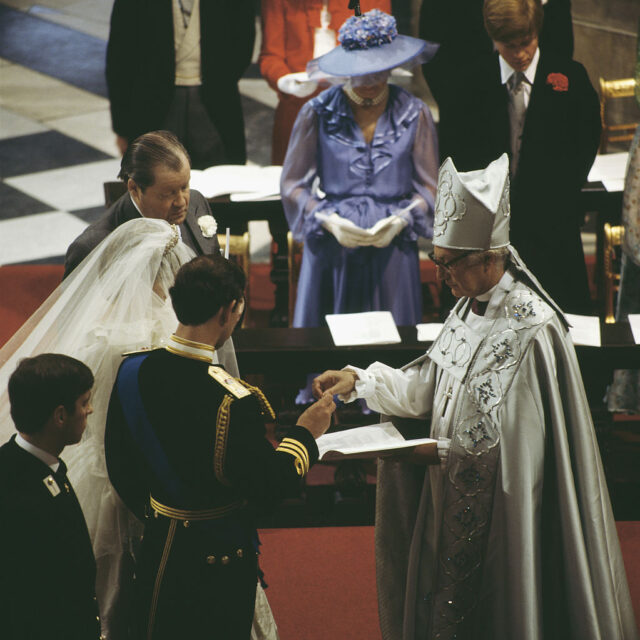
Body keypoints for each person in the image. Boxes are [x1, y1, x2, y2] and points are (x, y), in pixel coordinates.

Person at [313, 154, 638, 640]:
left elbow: (522, 456)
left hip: (508, 518)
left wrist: (439, 452)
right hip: (451, 494)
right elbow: (428, 385)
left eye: (448, 265)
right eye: (437, 262)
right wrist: (359, 380)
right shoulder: (468, 307)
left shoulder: (531, 329)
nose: (441, 277)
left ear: (490, 258)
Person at [0, 218, 259, 639]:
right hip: (178, 496)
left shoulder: (107, 341)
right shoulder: (179, 343)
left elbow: (101, 425)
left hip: (121, 478)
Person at [104, 254, 336, 639]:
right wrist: (306, 433)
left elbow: (120, 465)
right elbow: (270, 486)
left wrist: (161, 511)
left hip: (159, 544)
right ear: (229, 310)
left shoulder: (131, 369)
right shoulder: (233, 399)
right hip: (218, 558)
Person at [432, 0, 600, 314]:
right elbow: (454, 157)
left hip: (552, 225)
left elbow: (586, 141)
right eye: (509, 46)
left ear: (538, 32)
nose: (520, 54)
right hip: (489, 234)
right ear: (492, 39)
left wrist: (561, 193)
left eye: (526, 43)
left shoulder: (570, 78)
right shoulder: (468, 84)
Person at [281, 9, 440, 329]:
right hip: (333, 246)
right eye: (361, 71)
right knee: (330, 342)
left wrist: (402, 218)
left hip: (392, 247)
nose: (369, 81)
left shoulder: (414, 112)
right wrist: (326, 219)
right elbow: (292, 184)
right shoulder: (318, 112)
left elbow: (431, 187)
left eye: (378, 70)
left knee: (391, 344)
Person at [0, 354, 103, 640]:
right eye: (84, 402)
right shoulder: (14, 490)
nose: (90, 410)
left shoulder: (39, 465)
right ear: (60, 416)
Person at [106, 0, 254, 168]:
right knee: (155, 178)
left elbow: (243, 41)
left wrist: (219, 80)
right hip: (152, 100)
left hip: (215, 98)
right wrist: (122, 127)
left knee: (220, 176)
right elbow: (120, 59)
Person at [64, 130, 220, 279]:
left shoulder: (196, 203)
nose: (181, 202)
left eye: (184, 187)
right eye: (167, 194)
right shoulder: (90, 249)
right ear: (134, 188)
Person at [259, 0, 390, 164]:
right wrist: (284, 80)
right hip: (298, 109)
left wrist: (359, 76)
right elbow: (270, 56)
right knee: (294, 180)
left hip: (356, 110)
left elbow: (383, 53)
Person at [420, 0, 574, 122]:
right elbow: (432, 51)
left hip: (539, 114)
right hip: (468, 113)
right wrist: (456, 105)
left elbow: (561, 50)